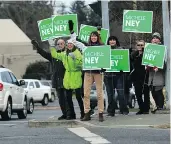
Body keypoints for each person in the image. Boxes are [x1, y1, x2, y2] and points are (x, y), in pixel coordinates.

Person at [31, 39, 70, 120]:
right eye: (58, 44)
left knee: (67, 98)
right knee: (61, 99)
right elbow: (44, 54)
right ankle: (64, 114)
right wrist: (37, 47)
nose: (60, 45)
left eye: (61, 43)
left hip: (66, 79)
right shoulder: (53, 55)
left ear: (65, 44)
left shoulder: (68, 54)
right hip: (57, 79)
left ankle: (69, 114)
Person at [50, 38, 84, 120]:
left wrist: (75, 59)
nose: (69, 45)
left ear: (74, 45)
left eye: (71, 44)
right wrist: (52, 46)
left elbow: (80, 65)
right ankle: (72, 114)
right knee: (68, 98)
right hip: (68, 77)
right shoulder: (64, 53)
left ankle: (83, 113)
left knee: (78, 97)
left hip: (76, 76)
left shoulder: (77, 53)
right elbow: (55, 55)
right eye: (68, 44)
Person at [104, 36, 129, 116]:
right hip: (108, 76)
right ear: (108, 42)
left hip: (118, 76)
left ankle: (124, 109)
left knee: (121, 93)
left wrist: (123, 68)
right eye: (110, 40)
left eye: (113, 40)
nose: (112, 41)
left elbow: (124, 61)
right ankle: (111, 111)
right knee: (110, 94)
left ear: (116, 41)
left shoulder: (121, 50)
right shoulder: (105, 51)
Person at [147, 32, 166, 113]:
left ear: (159, 40)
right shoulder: (148, 49)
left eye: (156, 38)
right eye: (153, 38)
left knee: (158, 92)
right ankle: (155, 107)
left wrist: (159, 66)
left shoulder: (162, 49)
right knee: (153, 92)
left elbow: (165, 64)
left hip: (159, 75)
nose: (154, 40)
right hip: (151, 76)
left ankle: (160, 107)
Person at [130, 40, 150, 114]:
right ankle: (141, 108)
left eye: (142, 45)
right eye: (138, 45)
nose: (140, 46)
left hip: (145, 75)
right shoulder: (134, 55)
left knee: (146, 93)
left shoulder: (147, 54)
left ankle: (146, 109)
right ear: (136, 46)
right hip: (136, 76)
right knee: (138, 94)